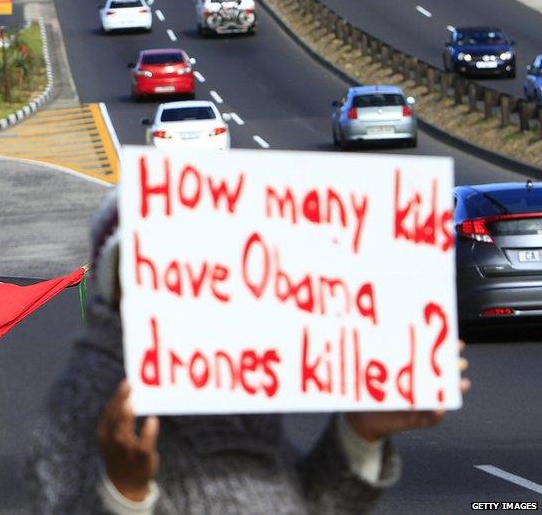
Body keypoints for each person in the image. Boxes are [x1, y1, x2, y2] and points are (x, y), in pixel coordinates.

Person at [25, 189, 471, 514]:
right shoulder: (82, 402)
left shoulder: (233, 384)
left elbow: (300, 505)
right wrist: (124, 492)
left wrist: (359, 435)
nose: (181, 280)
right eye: (155, 266)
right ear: (116, 284)